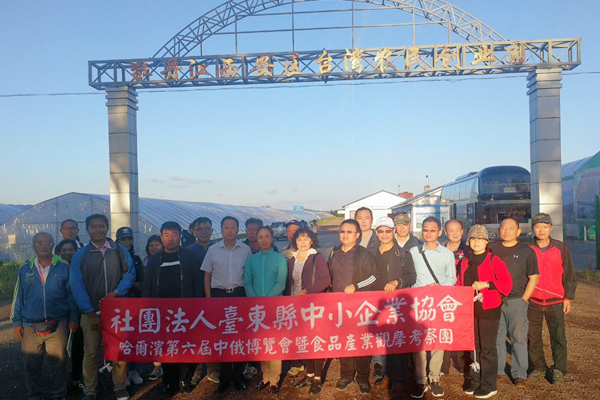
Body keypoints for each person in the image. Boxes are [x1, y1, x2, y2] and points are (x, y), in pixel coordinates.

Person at [69, 214, 135, 400]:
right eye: (93, 226)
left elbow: (130, 274)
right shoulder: (80, 255)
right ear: (87, 230)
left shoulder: (119, 250)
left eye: (101, 226)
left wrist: (117, 292)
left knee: (118, 349)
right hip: (90, 312)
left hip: (116, 311)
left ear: (107, 228)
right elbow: (76, 284)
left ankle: (119, 386)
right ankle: (90, 390)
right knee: (90, 352)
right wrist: (89, 312)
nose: (98, 229)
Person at [11, 232, 79, 400]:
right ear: (33, 247)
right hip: (30, 325)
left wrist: (73, 318)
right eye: (39, 243)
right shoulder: (25, 269)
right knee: (31, 364)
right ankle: (35, 394)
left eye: (48, 242)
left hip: (58, 323)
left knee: (59, 363)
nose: (44, 245)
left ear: (53, 246)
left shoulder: (63, 267)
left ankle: (58, 394)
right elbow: (18, 296)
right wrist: (17, 322)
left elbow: (71, 295)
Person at [142, 221, 203, 396]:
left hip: (185, 311)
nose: (171, 239)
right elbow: (147, 285)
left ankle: (185, 379)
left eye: (174, 235)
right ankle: (169, 381)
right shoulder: (154, 260)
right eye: (167, 235)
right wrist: (147, 307)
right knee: (167, 347)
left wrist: (198, 306)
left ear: (180, 237)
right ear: (161, 237)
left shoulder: (189, 258)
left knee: (186, 346)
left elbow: (197, 284)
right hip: (162, 313)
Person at [458, 225, 513, 399]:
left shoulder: (494, 260)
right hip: (469, 309)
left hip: (489, 309)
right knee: (473, 346)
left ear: (486, 241)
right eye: (473, 239)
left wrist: (487, 284)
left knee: (487, 347)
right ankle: (475, 380)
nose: (476, 242)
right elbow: (459, 282)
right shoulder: (465, 261)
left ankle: (489, 384)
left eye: (480, 239)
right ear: (469, 241)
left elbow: (507, 283)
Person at [201, 216, 252, 394]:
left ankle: (237, 376)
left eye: (233, 227)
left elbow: (249, 274)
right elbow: (207, 274)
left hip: (239, 294)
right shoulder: (213, 250)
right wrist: (209, 298)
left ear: (238, 230)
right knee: (221, 337)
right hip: (219, 295)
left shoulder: (245, 250)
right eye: (226, 227)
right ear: (221, 230)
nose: (229, 230)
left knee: (238, 336)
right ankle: (224, 377)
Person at [328, 219, 378, 394]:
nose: (345, 235)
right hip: (339, 307)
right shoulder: (334, 253)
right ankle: (346, 375)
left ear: (357, 235)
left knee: (361, 342)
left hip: (358, 307)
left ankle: (363, 377)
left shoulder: (365, 254)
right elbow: (329, 277)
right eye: (342, 231)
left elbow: (374, 276)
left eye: (349, 232)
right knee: (344, 341)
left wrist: (356, 286)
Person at [409, 216, 456, 398]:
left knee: (437, 341)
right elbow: (409, 276)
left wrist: (440, 286)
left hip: (438, 302)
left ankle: (434, 379)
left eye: (433, 230)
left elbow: (452, 278)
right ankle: (420, 380)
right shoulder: (413, 252)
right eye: (426, 230)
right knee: (418, 341)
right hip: (418, 303)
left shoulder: (447, 254)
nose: (429, 233)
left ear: (439, 232)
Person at [527, 213, 577, 385]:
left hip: (555, 300)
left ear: (551, 228)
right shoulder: (527, 248)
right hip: (533, 300)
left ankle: (559, 370)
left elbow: (569, 274)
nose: (541, 230)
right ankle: (538, 367)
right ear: (533, 228)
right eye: (537, 226)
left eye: (545, 226)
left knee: (558, 337)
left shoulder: (561, 248)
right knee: (533, 337)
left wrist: (568, 297)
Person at [489, 218, 539, 387]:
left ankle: (519, 373)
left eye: (511, 228)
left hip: (517, 300)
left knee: (518, 338)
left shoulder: (527, 251)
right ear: (499, 230)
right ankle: (498, 371)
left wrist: (524, 299)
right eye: (503, 227)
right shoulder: (491, 249)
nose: (506, 231)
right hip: (495, 299)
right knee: (497, 337)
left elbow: (533, 278)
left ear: (518, 232)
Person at [371, 217, 417, 396]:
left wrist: (397, 282)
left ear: (393, 232)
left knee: (396, 343)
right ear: (376, 233)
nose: (384, 234)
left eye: (388, 231)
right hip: (376, 303)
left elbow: (411, 276)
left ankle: (399, 380)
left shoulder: (403, 254)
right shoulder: (371, 252)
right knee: (383, 342)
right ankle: (387, 376)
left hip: (396, 304)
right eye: (380, 231)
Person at [284, 227, 331, 395]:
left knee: (315, 342)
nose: (302, 242)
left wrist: (306, 291)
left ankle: (317, 378)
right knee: (304, 341)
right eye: (299, 238)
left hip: (313, 306)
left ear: (312, 241)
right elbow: (289, 284)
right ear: (295, 241)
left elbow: (326, 280)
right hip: (296, 307)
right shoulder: (292, 260)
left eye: (306, 238)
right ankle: (309, 375)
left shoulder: (317, 257)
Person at [244, 226, 288, 394]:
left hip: (274, 306)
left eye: (267, 236)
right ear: (256, 239)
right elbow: (247, 282)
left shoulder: (279, 259)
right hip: (256, 308)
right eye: (260, 237)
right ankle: (266, 376)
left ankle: (275, 378)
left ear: (272, 239)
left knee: (274, 341)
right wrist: (255, 299)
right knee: (262, 342)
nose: (263, 240)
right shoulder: (252, 260)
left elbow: (280, 283)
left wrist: (267, 299)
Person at [186, 217, 220, 386]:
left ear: (212, 231)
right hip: (195, 298)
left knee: (213, 333)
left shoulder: (218, 249)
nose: (204, 232)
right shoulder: (188, 252)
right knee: (196, 335)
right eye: (200, 229)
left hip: (215, 297)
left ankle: (213, 368)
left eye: (207, 228)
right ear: (193, 232)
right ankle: (196, 370)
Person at [115, 227, 145, 387]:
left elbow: (141, 281)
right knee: (119, 339)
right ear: (117, 241)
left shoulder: (136, 259)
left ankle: (133, 370)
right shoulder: (112, 258)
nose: (126, 242)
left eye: (129, 239)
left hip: (134, 304)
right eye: (123, 239)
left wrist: (133, 285)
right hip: (118, 305)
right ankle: (121, 373)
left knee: (133, 338)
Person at [441, 219, 471, 376]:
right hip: (443, 296)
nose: (454, 233)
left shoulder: (469, 250)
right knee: (443, 329)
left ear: (462, 232)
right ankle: (442, 365)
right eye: (450, 230)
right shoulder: (439, 249)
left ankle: (462, 364)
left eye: (457, 230)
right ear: (445, 232)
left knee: (461, 330)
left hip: (462, 296)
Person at [55, 239, 84, 392]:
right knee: (61, 348)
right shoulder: (56, 268)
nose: (67, 253)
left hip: (80, 312)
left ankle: (76, 378)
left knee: (78, 347)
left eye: (70, 250)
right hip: (61, 314)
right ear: (59, 252)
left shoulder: (80, 266)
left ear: (76, 251)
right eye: (64, 250)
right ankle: (63, 379)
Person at [142, 234, 164, 381]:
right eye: (151, 245)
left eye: (157, 244)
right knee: (156, 336)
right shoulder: (145, 262)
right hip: (152, 303)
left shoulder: (168, 259)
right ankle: (157, 366)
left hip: (167, 303)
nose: (154, 248)